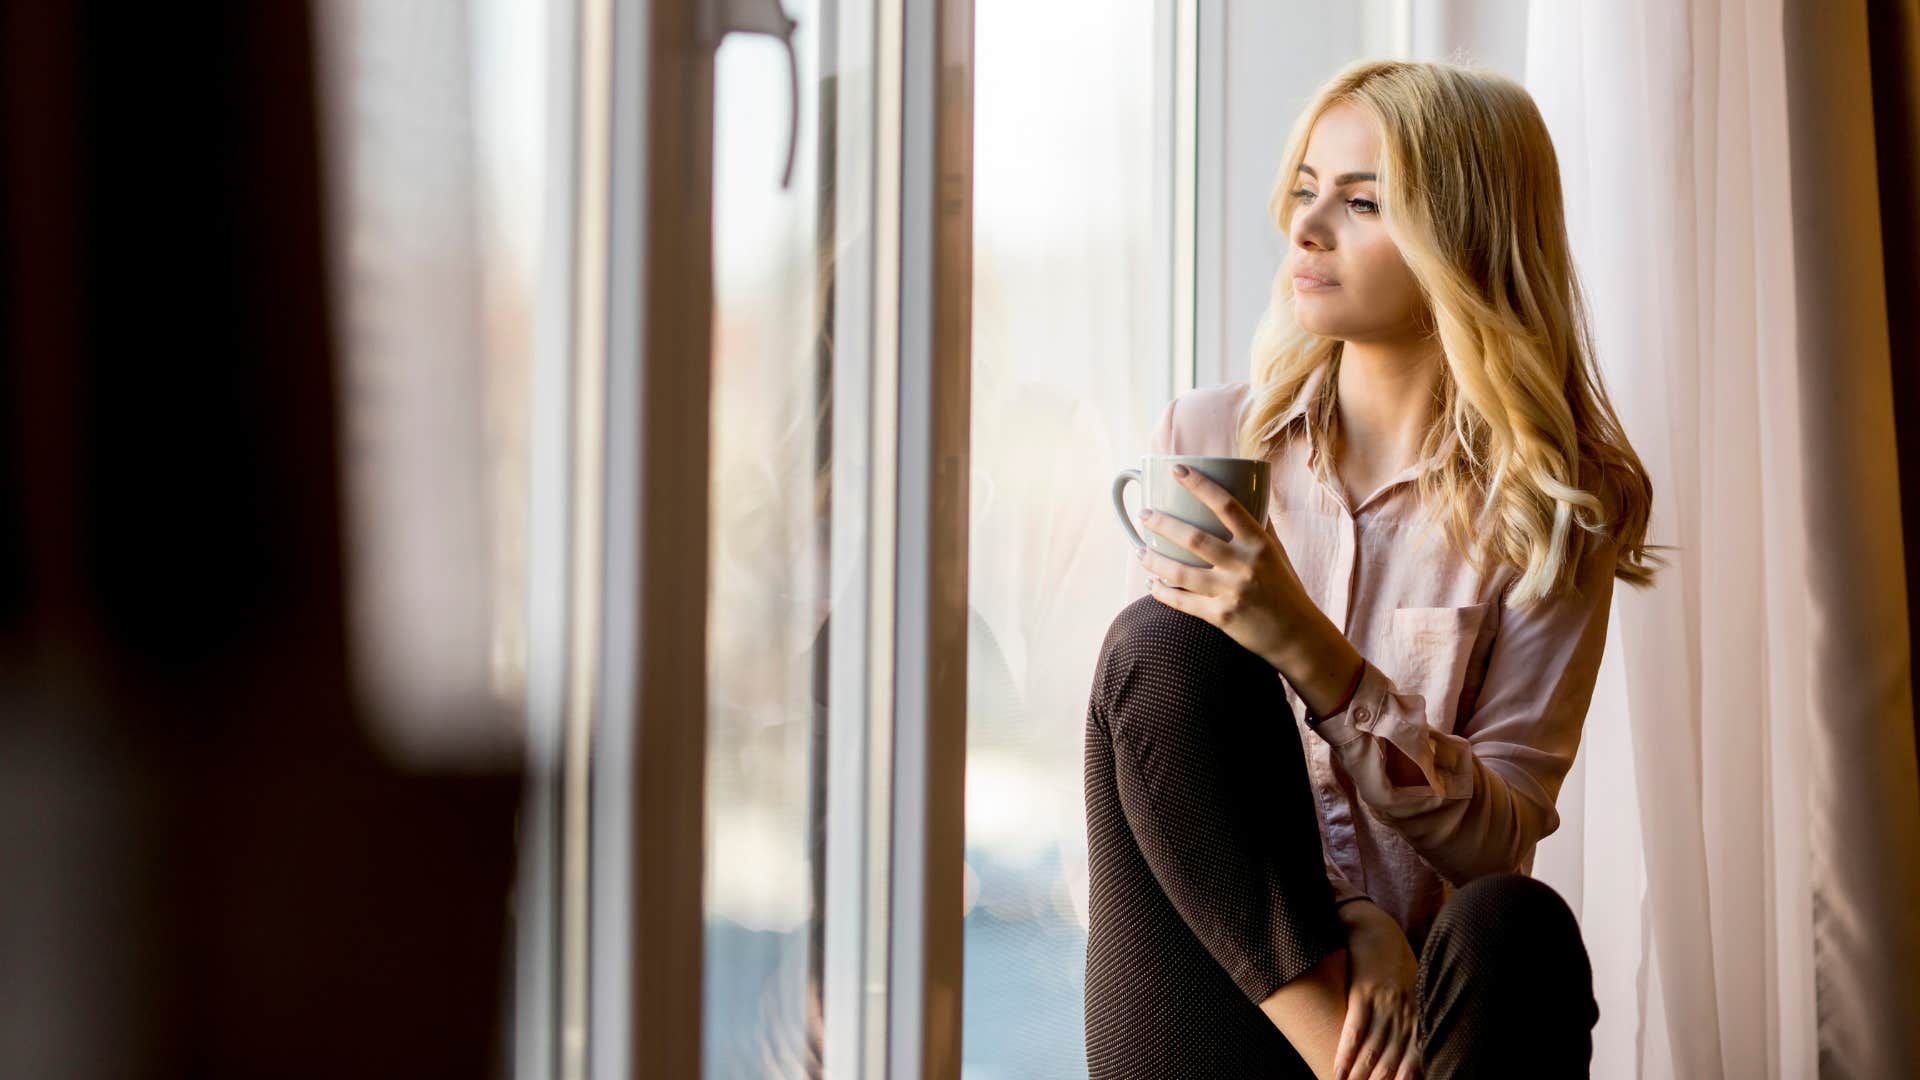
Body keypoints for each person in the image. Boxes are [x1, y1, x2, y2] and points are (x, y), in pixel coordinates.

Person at [1083, 58, 1667, 1079]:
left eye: (1360, 202)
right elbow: (1175, 759)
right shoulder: (1212, 434)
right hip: (1240, 989)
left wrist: (1310, 649)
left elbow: (1495, 840)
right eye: (1306, 190)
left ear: (1466, 238)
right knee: (1160, 644)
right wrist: (1345, 915)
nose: (1306, 229)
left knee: (1511, 922)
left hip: (1422, 1016)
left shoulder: (1555, 507)